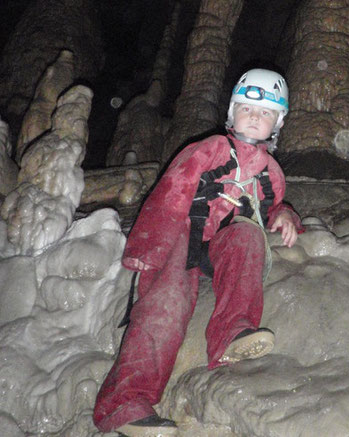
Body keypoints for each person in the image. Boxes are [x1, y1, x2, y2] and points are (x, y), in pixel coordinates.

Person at [93, 69, 301, 437]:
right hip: (182, 232)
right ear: (232, 113)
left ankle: (232, 335)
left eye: (266, 112)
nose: (255, 116)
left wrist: (285, 215)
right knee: (167, 300)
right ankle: (124, 403)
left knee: (248, 238)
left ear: (277, 124)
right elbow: (171, 194)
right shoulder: (208, 150)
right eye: (247, 108)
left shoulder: (272, 172)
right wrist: (148, 246)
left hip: (220, 244)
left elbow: (273, 205)